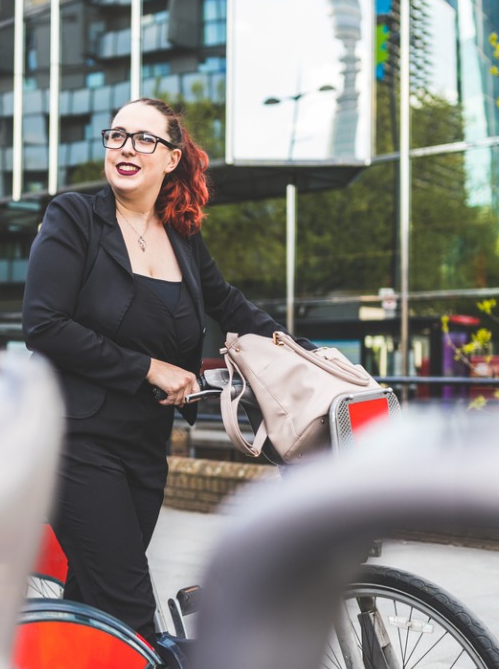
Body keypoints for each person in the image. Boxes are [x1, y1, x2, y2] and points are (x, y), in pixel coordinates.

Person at [22, 97, 315, 643]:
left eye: (144, 139)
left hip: (145, 447)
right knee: (132, 615)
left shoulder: (180, 236)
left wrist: (307, 356)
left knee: (94, 609)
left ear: (172, 158)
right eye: (117, 135)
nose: (127, 148)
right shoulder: (75, 217)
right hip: (74, 443)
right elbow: (43, 324)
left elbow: (229, 305)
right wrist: (148, 368)